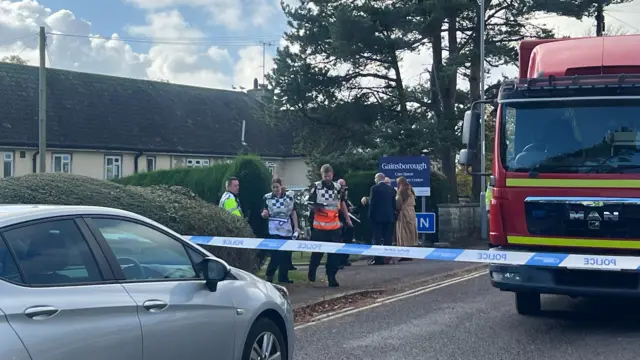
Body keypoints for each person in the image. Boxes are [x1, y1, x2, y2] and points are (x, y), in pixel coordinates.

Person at [307, 164, 352, 287]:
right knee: (317, 254)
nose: (327, 178)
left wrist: (348, 219)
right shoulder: (316, 186)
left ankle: (331, 277)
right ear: (322, 175)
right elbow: (309, 204)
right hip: (319, 227)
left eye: (329, 176)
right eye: (325, 176)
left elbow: (342, 203)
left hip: (334, 227)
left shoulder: (338, 187)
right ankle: (312, 271)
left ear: (332, 174)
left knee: (334, 255)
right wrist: (316, 208)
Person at [262, 178, 299, 284]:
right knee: (276, 254)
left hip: (286, 228)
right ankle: (269, 275)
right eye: (273, 187)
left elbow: (293, 212)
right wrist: (264, 213)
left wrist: (296, 227)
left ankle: (283, 277)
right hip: (274, 228)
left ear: (281, 186)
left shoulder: (289, 197)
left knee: (286, 254)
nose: (275, 189)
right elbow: (264, 209)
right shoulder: (267, 198)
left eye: (277, 187)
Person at [368, 172, 396, 265]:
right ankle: (387, 259)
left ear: (377, 179)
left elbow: (372, 203)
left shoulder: (374, 188)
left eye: (375, 179)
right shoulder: (391, 189)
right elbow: (393, 204)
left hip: (377, 218)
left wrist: (370, 216)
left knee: (377, 238)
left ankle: (378, 259)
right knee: (388, 239)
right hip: (389, 217)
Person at [394, 176, 419, 262]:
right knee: (410, 233)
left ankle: (404, 255)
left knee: (403, 234)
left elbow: (398, 204)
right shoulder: (411, 190)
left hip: (403, 214)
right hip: (411, 213)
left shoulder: (401, 191)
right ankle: (410, 253)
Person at [337, 178, 355, 268]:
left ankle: (345, 259)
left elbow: (347, 205)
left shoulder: (345, 195)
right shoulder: (336, 195)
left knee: (348, 240)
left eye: (344, 186)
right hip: (339, 221)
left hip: (347, 221)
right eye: (342, 186)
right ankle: (340, 260)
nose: (344, 188)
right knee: (341, 240)